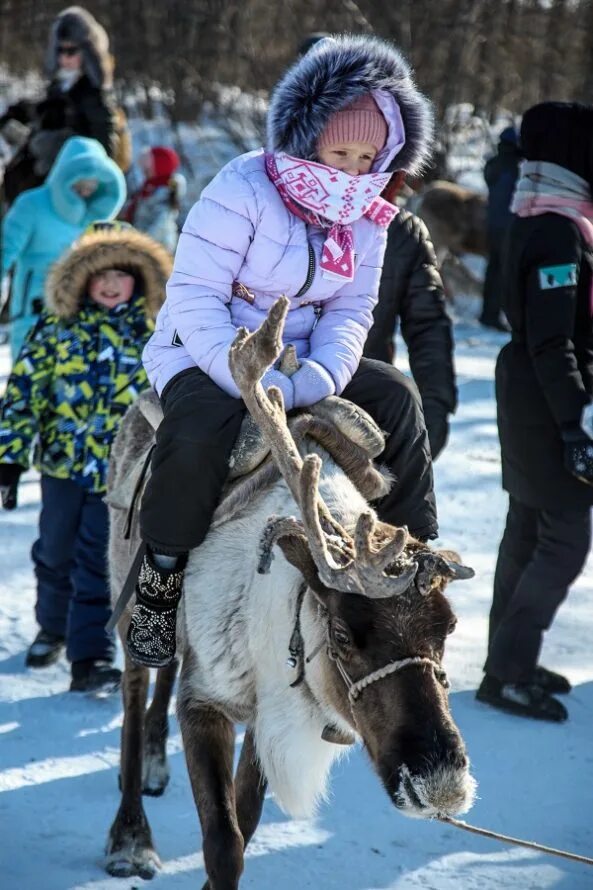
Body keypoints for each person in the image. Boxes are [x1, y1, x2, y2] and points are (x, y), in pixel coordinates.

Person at [125, 34, 437, 668]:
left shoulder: (368, 216)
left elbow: (352, 310)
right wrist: (241, 376)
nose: (352, 169)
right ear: (308, 135)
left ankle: (412, 550)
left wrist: (315, 377)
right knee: (200, 431)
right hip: (209, 347)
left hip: (297, 363)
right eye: (340, 151)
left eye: (367, 156)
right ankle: (160, 576)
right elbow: (194, 294)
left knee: (397, 397)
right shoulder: (243, 186)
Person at [0, 221, 171, 692]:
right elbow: (23, 393)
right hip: (62, 465)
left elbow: (174, 395)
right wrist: (9, 459)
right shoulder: (57, 329)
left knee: (99, 558)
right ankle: (52, 625)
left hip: (122, 474)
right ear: (80, 281)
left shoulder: (154, 334)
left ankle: (91, 656)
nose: (111, 284)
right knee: (55, 552)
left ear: (140, 279)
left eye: (122, 274)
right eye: (100, 276)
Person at [477, 102, 593, 723]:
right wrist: (577, 426)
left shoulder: (538, 210)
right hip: (546, 396)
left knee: (527, 530)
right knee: (564, 539)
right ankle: (510, 671)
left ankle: (507, 664)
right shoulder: (556, 227)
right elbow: (555, 339)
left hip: (528, 387)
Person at [1, 134, 125, 361]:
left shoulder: (97, 219)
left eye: (92, 186)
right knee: (27, 378)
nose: (86, 191)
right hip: (33, 306)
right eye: (79, 185)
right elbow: (4, 249)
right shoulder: (32, 204)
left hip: (81, 311)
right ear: (63, 176)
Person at [2, 5, 129, 204]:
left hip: (68, 187)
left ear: (87, 51)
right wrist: (14, 118)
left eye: (71, 51)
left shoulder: (93, 95)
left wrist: (93, 179)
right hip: (38, 181)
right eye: (60, 50)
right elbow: (38, 110)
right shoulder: (59, 86)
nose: (65, 57)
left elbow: (105, 142)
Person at [363, 209, 457, 459]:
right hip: (278, 403)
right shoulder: (271, 210)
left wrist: (436, 403)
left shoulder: (402, 229)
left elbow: (427, 325)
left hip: (368, 412)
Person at [480, 126, 521, 331]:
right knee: (506, 273)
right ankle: (500, 315)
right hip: (510, 227)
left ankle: (488, 313)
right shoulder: (517, 167)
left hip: (492, 224)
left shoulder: (493, 164)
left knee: (493, 270)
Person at [122, 146, 186, 253]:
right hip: (140, 242)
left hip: (157, 245)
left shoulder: (166, 192)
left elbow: (162, 221)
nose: (144, 173)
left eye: (147, 169)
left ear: (159, 167)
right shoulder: (148, 188)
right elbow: (136, 208)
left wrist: (141, 241)